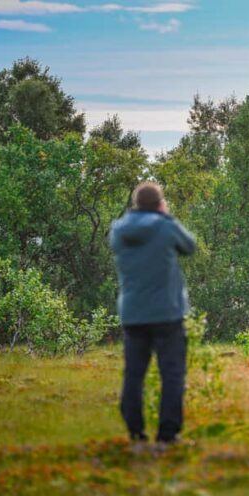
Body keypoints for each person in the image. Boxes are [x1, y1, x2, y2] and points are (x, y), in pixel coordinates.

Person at [109, 181, 196, 447]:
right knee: (172, 374)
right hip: (167, 313)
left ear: (136, 204)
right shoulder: (165, 226)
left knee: (134, 375)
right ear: (160, 203)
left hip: (133, 314)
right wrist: (166, 217)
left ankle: (135, 433)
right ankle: (167, 435)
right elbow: (189, 246)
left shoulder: (118, 230)